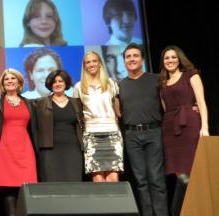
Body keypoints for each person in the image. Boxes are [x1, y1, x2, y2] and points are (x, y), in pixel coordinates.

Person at [118, 43, 167, 216]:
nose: (131, 59)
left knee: (156, 179)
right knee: (141, 181)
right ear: (124, 62)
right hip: (131, 135)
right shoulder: (120, 85)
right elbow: (118, 112)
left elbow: (168, 104)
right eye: (128, 57)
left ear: (142, 59)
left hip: (153, 132)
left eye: (135, 56)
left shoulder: (156, 79)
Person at [0, 69, 38, 216]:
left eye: (13, 78)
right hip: (3, 150)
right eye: (6, 79)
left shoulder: (29, 103)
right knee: (7, 188)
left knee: (25, 188)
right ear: (3, 84)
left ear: (19, 82)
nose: (9, 81)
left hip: (25, 149)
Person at [73, 51, 123, 182]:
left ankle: (115, 204)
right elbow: (77, 114)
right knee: (98, 177)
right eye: (88, 62)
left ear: (100, 63)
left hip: (112, 132)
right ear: (84, 66)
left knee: (113, 177)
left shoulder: (111, 84)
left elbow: (118, 111)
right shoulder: (78, 87)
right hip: (91, 134)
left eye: (94, 61)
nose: (91, 64)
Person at [159, 45, 209, 176]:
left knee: (195, 166)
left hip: (190, 125)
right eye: (167, 58)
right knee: (178, 171)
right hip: (170, 128)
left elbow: (201, 103)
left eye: (174, 57)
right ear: (163, 61)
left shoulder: (191, 75)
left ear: (179, 59)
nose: (170, 60)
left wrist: (204, 127)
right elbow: (165, 108)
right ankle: (187, 197)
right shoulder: (162, 82)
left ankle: (199, 196)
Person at [34, 69, 84, 182]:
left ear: (65, 83)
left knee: (73, 182)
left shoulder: (76, 103)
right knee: (53, 184)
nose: (57, 84)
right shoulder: (40, 103)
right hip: (49, 150)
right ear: (50, 85)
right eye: (54, 82)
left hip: (73, 149)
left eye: (60, 81)